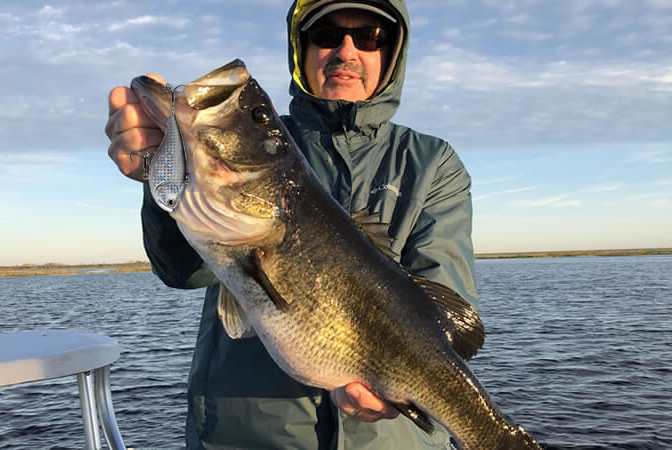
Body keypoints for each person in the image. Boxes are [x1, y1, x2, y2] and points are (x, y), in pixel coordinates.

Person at [105, 0, 478, 448]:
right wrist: (163, 171)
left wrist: (399, 390)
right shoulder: (266, 151)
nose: (346, 51)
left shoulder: (433, 164)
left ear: (392, 54)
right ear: (300, 50)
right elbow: (182, 270)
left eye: (368, 37)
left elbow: (448, 316)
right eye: (326, 35)